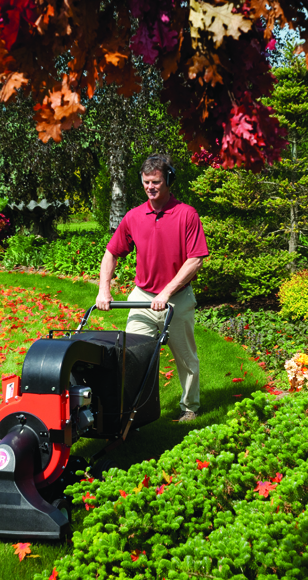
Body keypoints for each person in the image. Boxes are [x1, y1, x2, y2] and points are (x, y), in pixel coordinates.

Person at [96, 154, 209, 422]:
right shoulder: (134, 216)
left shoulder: (186, 214)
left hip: (176, 299)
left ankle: (190, 407)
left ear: (168, 180)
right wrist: (104, 289)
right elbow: (111, 252)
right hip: (142, 298)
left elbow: (195, 260)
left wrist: (167, 292)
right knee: (132, 356)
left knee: (185, 358)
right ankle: (133, 409)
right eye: (146, 182)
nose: (150, 187)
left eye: (156, 181)